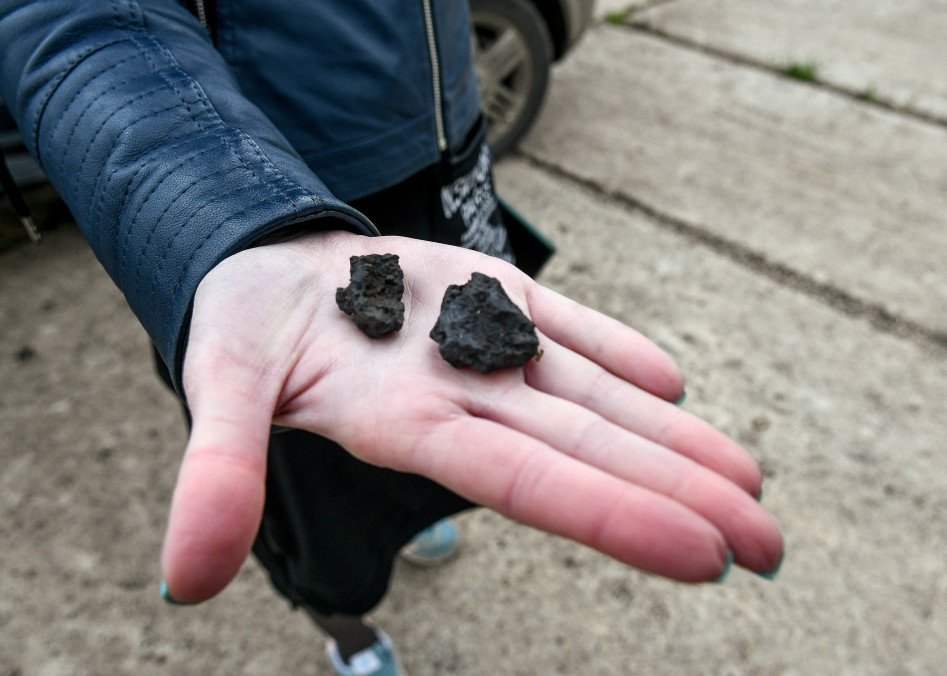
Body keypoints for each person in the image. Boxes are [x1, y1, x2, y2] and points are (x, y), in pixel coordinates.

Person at [0, 1, 784, 673]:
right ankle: (344, 623)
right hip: (271, 187)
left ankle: (413, 510)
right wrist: (223, 211)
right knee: (315, 493)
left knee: (438, 439)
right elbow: (67, 16)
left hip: (445, 151)